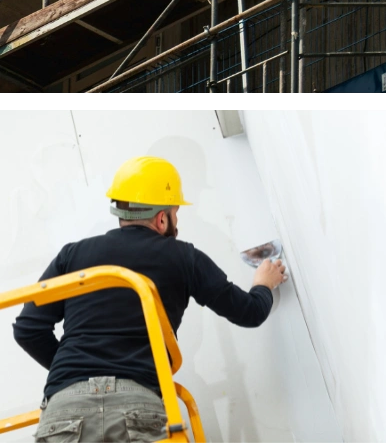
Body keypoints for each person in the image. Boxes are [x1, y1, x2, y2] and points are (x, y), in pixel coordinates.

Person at [13, 156, 287, 443]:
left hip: (65, 410)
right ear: (161, 218)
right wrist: (263, 285)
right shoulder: (183, 256)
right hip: (137, 403)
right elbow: (249, 312)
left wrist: (73, 374)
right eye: (176, 213)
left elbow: (28, 329)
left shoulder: (73, 255)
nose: (176, 221)